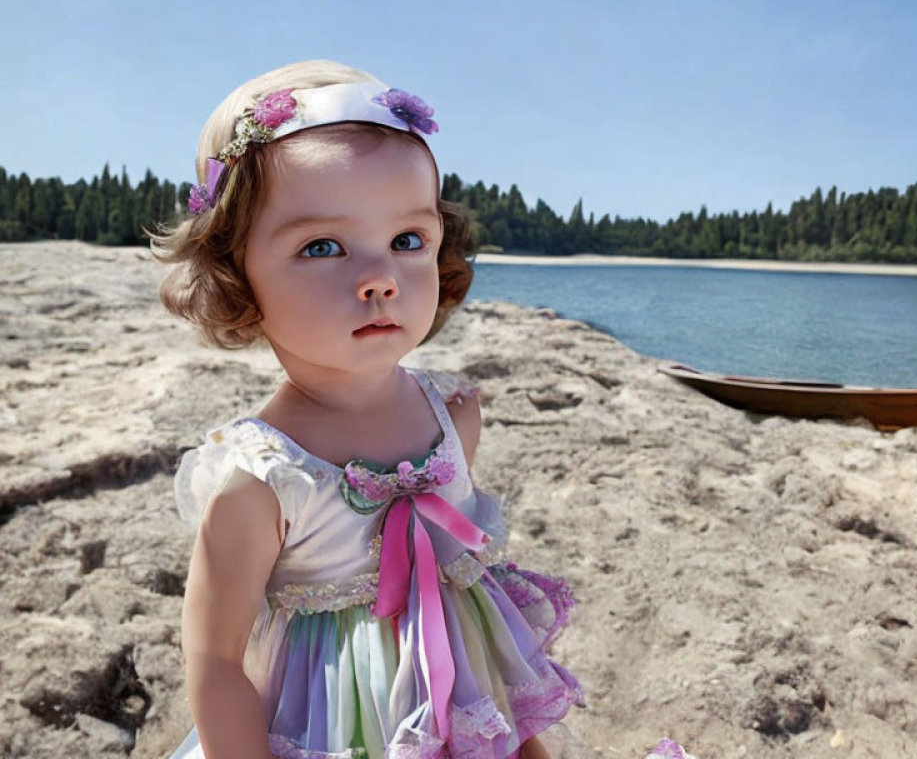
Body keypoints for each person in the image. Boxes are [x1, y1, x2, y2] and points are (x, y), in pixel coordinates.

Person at [152, 59, 692, 759]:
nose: (379, 278)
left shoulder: (452, 418)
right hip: (330, 726)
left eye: (408, 240)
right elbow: (217, 664)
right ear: (237, 274)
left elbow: (469, 595)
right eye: (322, 247)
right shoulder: (260, 484)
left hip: (459, 704)